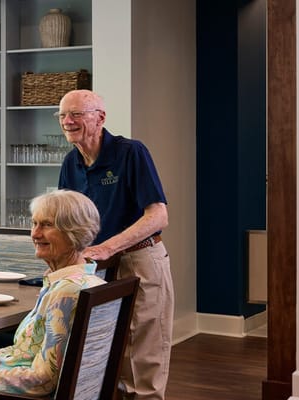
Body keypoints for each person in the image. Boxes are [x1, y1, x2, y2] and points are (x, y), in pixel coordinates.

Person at [54, 89, 173, 399]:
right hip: (95, 268)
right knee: (101, 353)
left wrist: (108, 247)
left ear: (100, 118)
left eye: (76, 114)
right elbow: (67, 219)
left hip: (139, 260)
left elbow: (158, 215)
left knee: (142, 358)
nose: (68, 121)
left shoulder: (131, 152)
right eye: (63, 115)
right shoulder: (71, 163)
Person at [0, 190, 108, 396]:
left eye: (46, 225)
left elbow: (43, 380)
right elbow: (26, 352)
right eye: (34, 224)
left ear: (74, 233)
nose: (34, 234)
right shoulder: (84, 281)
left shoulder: (66, 292)